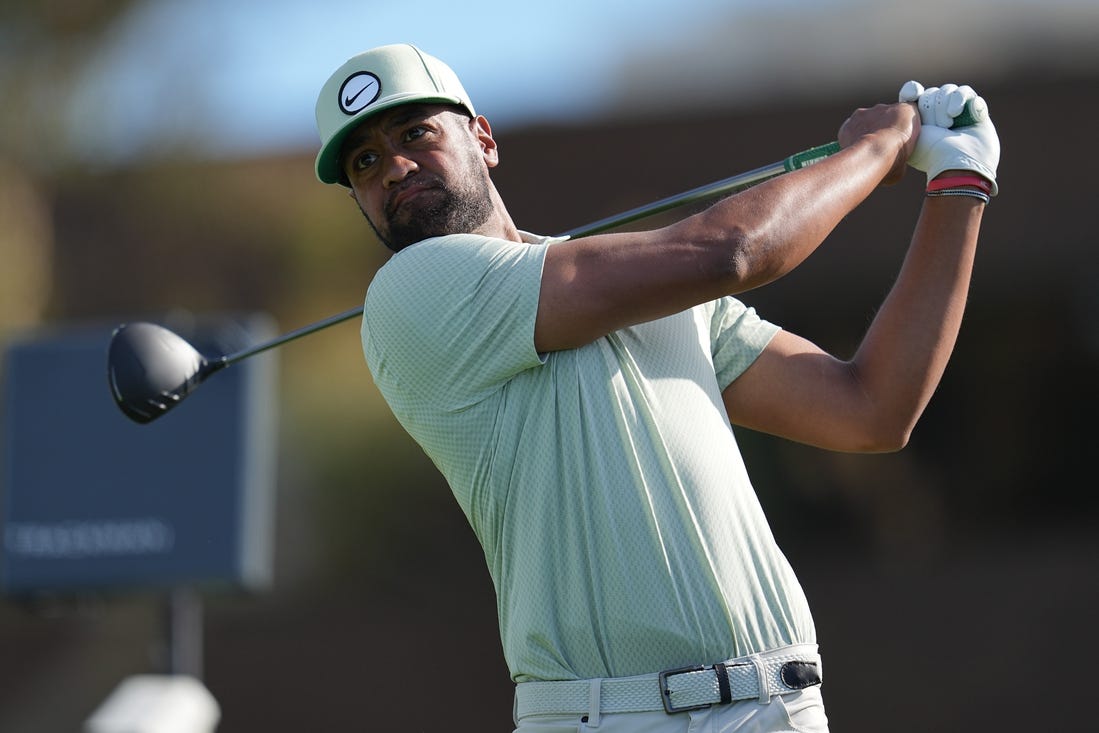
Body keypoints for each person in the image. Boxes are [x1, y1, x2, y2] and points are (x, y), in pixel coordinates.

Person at [312, 43, 999, 732]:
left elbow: (870, 410)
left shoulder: (650, 286)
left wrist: (958, 184)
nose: (394, 167)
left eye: (414, 134)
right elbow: (732, 252)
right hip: (607, 717)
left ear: (481, 138)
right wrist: (872, 152)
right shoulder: (413, 293)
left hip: (777, 705)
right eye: (364, 162)